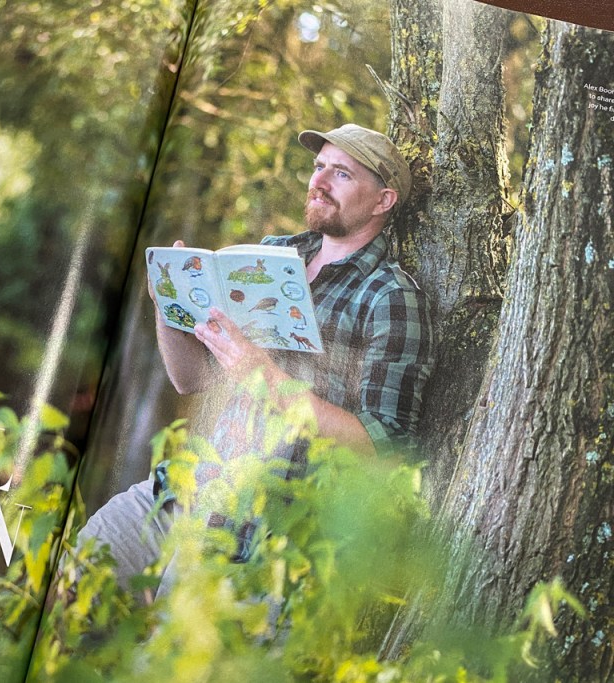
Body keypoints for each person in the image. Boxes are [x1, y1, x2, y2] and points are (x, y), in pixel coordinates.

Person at [77, 123, 435, 593]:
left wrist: (262, 376)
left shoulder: (390, 297)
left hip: (259, 539)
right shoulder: (269, 256)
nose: (320, 182)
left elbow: (381, 450)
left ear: (383, 200)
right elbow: (190, 380)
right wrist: (170, 306)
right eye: (319, 167)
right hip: (184, 493)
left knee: (161, 664)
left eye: (342, 174)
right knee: (70, 588)